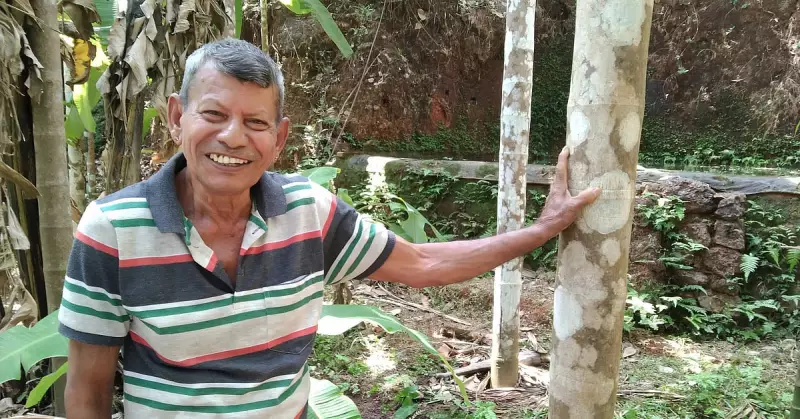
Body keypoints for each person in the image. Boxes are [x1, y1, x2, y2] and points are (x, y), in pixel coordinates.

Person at [58, 38, 601, 418]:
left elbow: (424, 262)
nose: (233, 138)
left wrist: (544, 228)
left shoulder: (308, 213)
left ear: (280, 137)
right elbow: (88, 393)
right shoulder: (111, 229)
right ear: (177, 117)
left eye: (255, 122)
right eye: (213, 115)